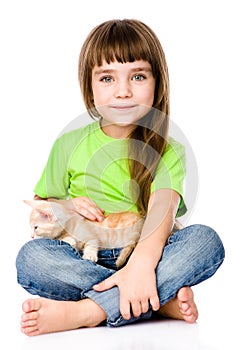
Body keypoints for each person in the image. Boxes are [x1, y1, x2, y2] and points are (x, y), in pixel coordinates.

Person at [16, 19, 225, 336]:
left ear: (158, 83)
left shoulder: (168, 149)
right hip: (83, 255)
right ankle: (154, 300)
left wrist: (141, 266)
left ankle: (89, 311)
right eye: (107, 78)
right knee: (31, 258)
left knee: (205, 241)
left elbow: (161, 212)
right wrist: (68, 206)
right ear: (90, 86)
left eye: (138, 76)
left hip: (147, 254)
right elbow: (44, 209)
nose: (123, 91)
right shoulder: (68, 144)